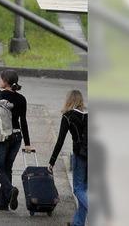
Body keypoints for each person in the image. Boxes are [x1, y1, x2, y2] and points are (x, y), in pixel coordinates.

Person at [0, 69, 34, 211]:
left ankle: (10, 190)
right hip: (17, 136)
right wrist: (27, 143)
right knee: (7, 168)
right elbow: (23, 121)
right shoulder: (22, 99)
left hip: (1, 136)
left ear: (5, 82)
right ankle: (2, 204)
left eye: (0, 79)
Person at [48, 90, 88, 226]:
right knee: (85, 190)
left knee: (78, 189)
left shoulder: (68, 116)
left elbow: (60, 141)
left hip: (81, 155)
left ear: (69, 100)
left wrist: (52, 161)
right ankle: (78, 223)